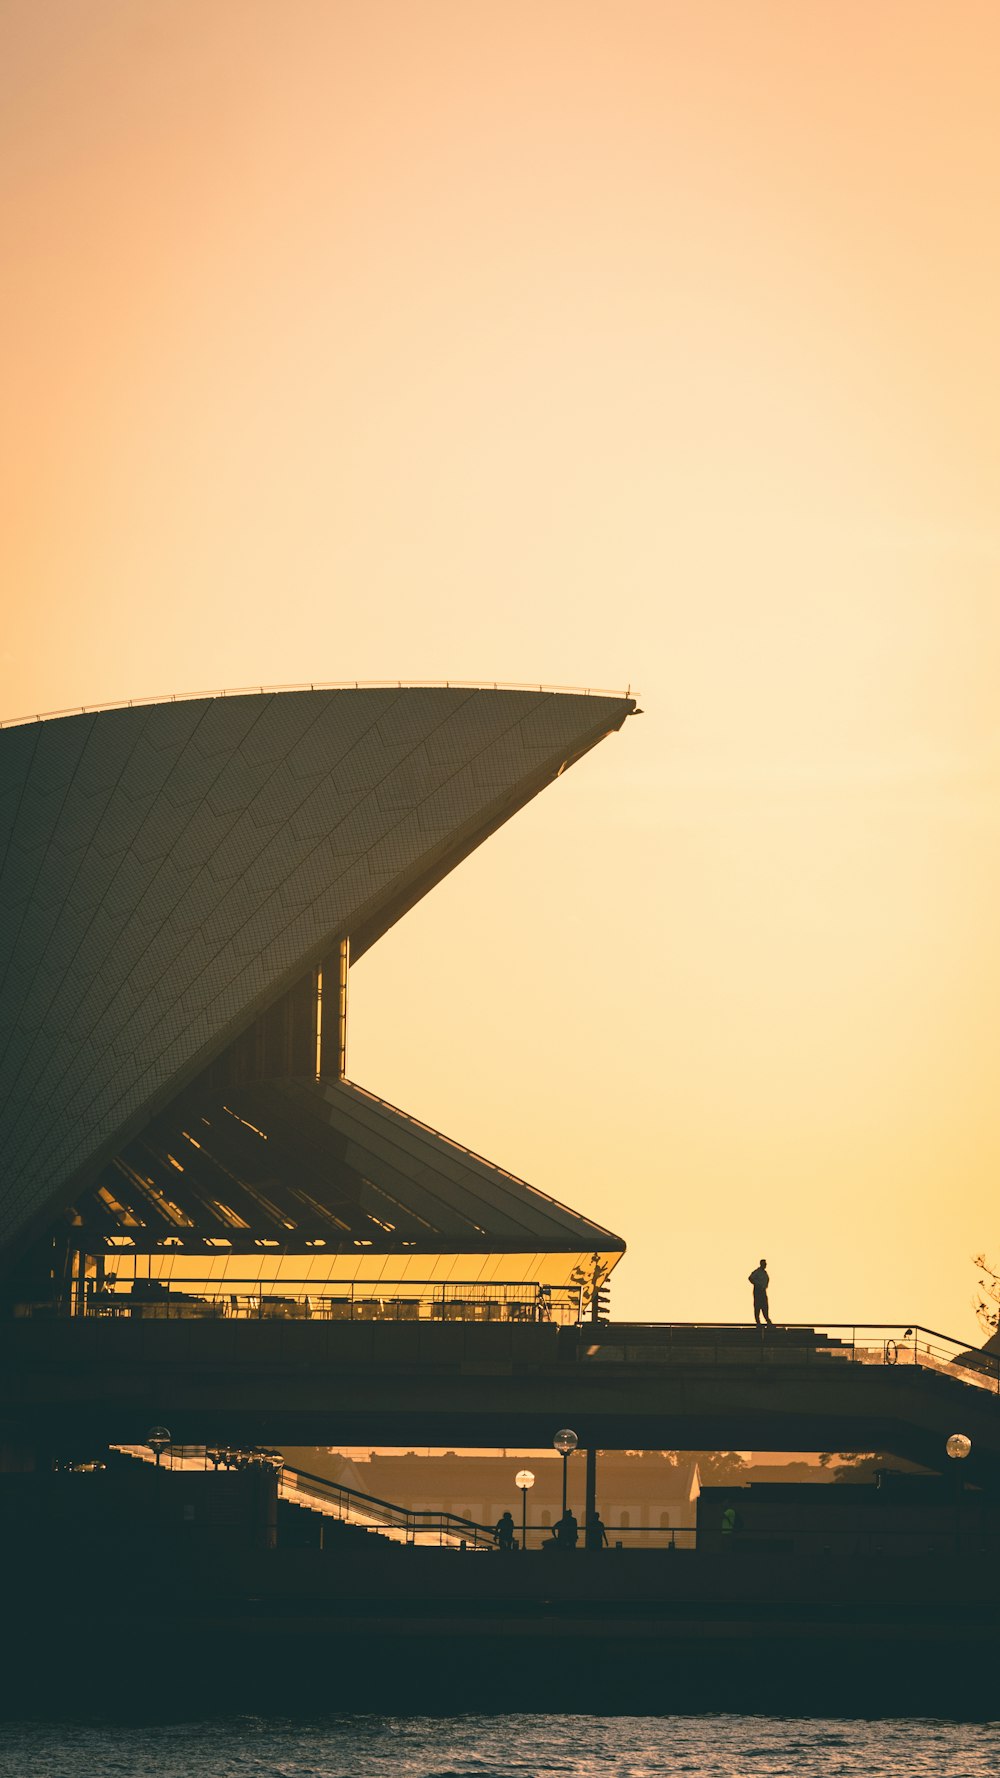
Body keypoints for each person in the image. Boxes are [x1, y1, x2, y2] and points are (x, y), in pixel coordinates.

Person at [748, 1258, 772, 1327]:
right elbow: (750, 1278)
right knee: (757, 1306)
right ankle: (758, 1322)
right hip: (758, 1291)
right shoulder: (757, 1272)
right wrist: (757, 1284)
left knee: (765, 1306)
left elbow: (766, 1281)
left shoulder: (765, 1273)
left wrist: (764, 1286)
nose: (765, 1265)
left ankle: (767, 1320)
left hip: (763, 1291)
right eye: (764, 1264)